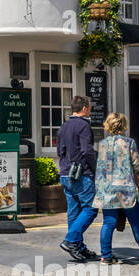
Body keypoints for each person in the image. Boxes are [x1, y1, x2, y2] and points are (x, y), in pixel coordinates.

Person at [94, 112, 139, 265]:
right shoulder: (129, 143)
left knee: (108, 223)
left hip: (107, 189)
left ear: (108, 125)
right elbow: (136, 164)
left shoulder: (102, 144)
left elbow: (100, 168)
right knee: (135, 222)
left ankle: (106, 256)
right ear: (123, 126)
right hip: (126, 190)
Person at [57, 95, 100, 262]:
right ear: (84, 108)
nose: (91, 110)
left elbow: (60, 150)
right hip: (82, 174)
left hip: (65, 173)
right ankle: (71, 240)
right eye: (89, 107)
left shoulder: (64, 126)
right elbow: (86, 150)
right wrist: (96, 169)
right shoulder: (84, 126)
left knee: (74, 211)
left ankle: (78, 246)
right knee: (91, 208)